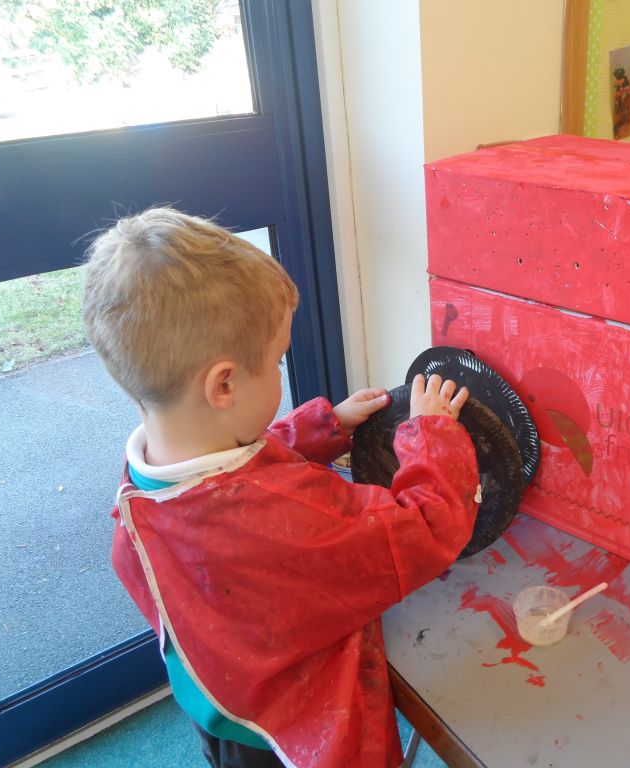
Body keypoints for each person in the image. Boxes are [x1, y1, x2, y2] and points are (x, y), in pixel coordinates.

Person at [82, 208, 480, 768]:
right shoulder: (284, 517)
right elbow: (427, 526)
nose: (279, 371)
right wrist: (432, 433)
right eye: (275, 361)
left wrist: (325, 427)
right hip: (298, 738)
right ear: (223, 385)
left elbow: (236, 461)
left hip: (221, 705)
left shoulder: (147, 476)